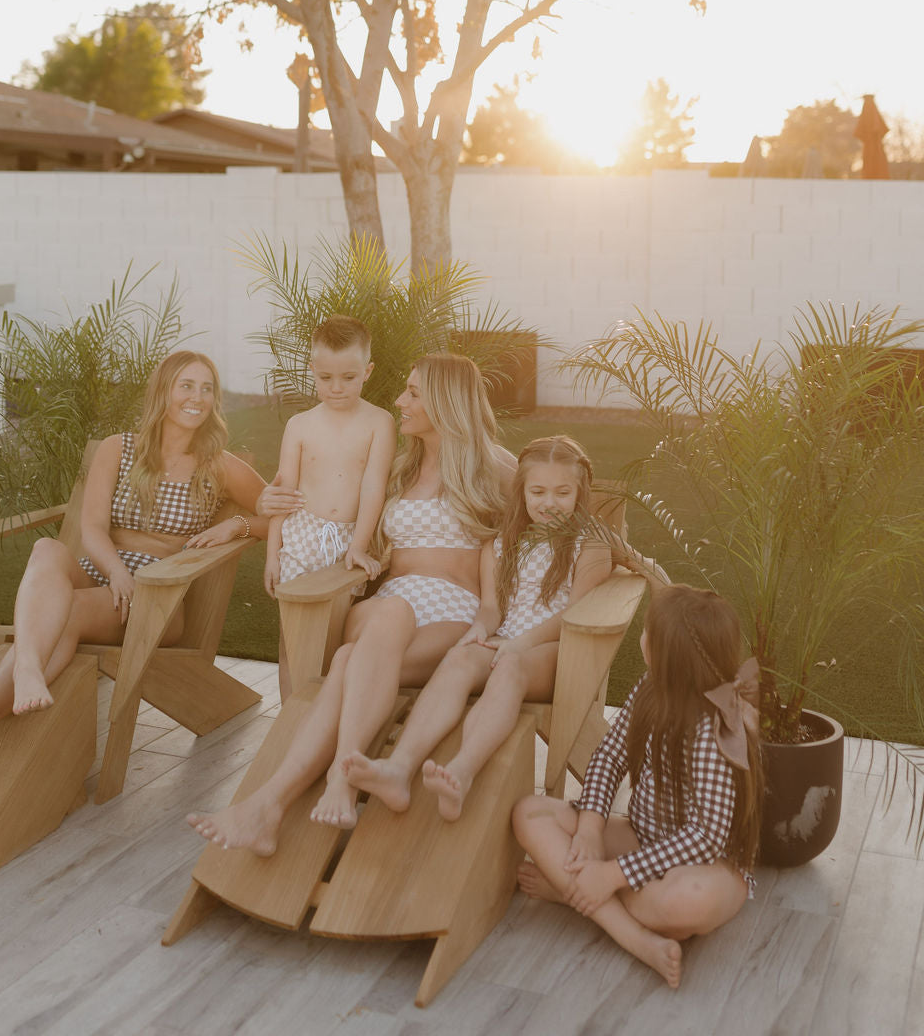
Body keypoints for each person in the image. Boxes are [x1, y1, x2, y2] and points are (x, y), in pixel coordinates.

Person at [186, 351, 516, 853]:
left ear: (446, 402)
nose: (399, 401)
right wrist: (249, 522)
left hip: (453, 614)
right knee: (391, 610)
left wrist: (501, 610)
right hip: (392, 604)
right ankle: (341, 779)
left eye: (412, 392)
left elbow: (549, 535)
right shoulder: (401, 469)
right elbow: (318, 510)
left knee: (345, 662)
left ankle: (270, 804)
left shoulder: (497, 469)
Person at [0, 350, 298, 765]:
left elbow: (287, 518)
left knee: (63, 613)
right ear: (163, 391)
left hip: (156, 597)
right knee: (46, 548)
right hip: (102, 572)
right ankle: (26, 670)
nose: (196, 396)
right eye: (186, 385)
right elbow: (91, 527)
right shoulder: (118, 448)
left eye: (206, 387)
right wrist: (115, 573)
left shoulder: (219, 466)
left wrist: (238, 527)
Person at [341, 435, 614, 821]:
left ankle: (462, 771)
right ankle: (398, 768)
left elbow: (573, 616)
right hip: (505, 644)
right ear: (522, 491)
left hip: (556, 651)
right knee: (457, 659)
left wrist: (519, 646)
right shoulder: (504, 541)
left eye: (562, 492)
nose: (548, 502)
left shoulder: (590, 544)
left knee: (509, 669)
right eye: (537, 491)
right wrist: (480, 631)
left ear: (580, 492)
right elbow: (491, 607)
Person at [512, 584, 762, 990]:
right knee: (530, 812)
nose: (642, 639)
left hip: (711, 864)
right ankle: (634, 935)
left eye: (649, 633)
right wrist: (591, 827)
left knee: (683, 904)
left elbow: (707, 836)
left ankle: (574, 893)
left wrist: (612, 874)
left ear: (669, 657)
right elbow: (610, 755)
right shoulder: (651, 688)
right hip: (642, 835)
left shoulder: (716, 727)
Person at [264, 314, 396, 695]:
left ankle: (323, 717)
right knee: (292, 640)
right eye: (325, 378)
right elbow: (284, 495)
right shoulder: (300, 426)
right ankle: (290, 722)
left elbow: (374, 487)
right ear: (312, 370)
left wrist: (358, 544)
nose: (336, 388)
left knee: (333, 641)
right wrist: (274, 555)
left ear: (367, 371)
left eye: (349, 378)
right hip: (300, 537)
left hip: (347, 542)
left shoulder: (379, 423)